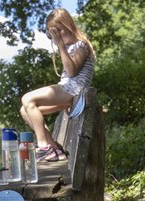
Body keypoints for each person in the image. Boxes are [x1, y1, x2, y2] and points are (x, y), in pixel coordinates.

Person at [20, 8, 95, 162]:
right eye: (52, 34)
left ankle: (43, 147)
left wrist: (60, 46)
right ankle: (54, 149)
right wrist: (62, 46)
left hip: (74, 90)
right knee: (25, 110)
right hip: (68, 90)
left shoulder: (81, 45)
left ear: (68, 26)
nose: (56, 37)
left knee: (27, 99)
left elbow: (72, 71)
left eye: (58, 31)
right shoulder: (69, 48)